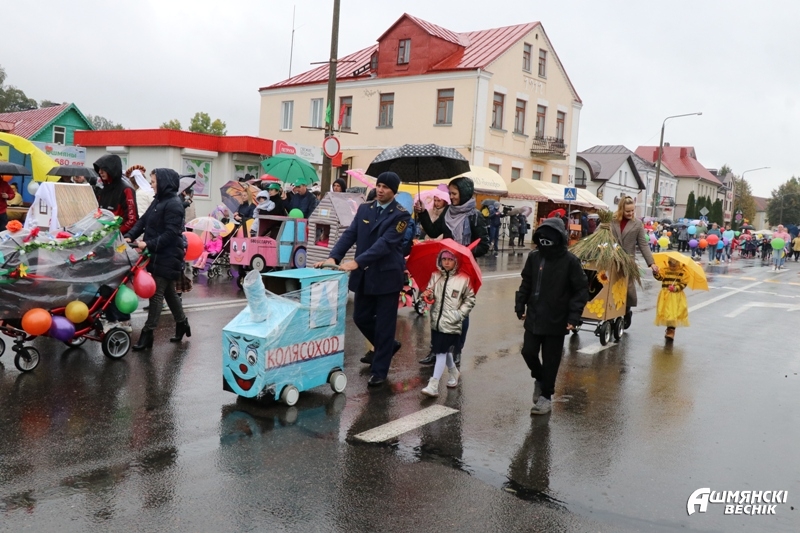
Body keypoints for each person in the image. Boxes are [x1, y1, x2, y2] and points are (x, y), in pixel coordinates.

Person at [316, 172, 410, 387]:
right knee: (360, 317)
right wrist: (334, 256)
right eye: (379, 185)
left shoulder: (401, 216)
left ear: (394, 191)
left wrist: (357, 262)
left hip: (387, 276)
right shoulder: (365, 208)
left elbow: (385, 244)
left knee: (385, 325)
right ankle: (387, 345)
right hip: (365, 276)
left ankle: (379, 371)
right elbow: (350, 234)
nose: (380, 190)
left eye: (385, 187)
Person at [515, 217, 588, 415]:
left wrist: (573, 317)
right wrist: (520, 305)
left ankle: (546, 397)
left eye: (549, 237)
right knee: (528, 352)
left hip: (557, 319)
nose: (545, 241)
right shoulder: (534, 257)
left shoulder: (570, 261)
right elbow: (526, 282)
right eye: (542, 237)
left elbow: (581, 290)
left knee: (551, 360)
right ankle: (540, 379)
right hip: (534, 316)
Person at [415, 176, 489, 366]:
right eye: (450, 193)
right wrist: (422, 213)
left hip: (464, 270)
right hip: (445, 267)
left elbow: (484, 245)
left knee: (459, 312)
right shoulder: (448, 211)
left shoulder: (475, 216)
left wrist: (464, 252)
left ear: (464, 193)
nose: (452, 197)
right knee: (437, 309)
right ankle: (436, 350)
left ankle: (456, 351)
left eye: (454, 193)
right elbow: (433, 231)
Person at [125, 168, 190, 350]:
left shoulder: (174, 205)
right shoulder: (158, 200)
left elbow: (171, 233)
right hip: (156, 254)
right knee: (169, 293)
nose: (151, 185)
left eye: (154, 181)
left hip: (169, 255)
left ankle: (148, 333)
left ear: (164, 182)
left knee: (156, 295)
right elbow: (143, 221)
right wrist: (130, 236)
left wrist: (148, 244)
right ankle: (182, 323)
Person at [420, 249, 476, 397]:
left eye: (450, 260)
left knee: (440, 352)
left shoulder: (463, 279)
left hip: (452, 322)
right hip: (436, 322)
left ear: (456, 262)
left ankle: (433, 384)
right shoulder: (435, 276)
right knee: (442, 350)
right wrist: (427, 295)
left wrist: (459, 315)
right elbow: (431, 295)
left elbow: (470, 300)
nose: (446, 262)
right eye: (444, 259)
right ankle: (453, 371)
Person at [94, 154, 138, 330]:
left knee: (117, 284)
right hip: (102, 244)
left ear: (112, 169)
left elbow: (132, 219)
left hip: (118, 245)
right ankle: (109, 317)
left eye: (104, 169)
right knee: (102, 282)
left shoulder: (126, 190)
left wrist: (114, 235)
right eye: (99, 169)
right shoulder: (103, 189)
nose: (101, 172)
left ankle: (123, 319)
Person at [611, 196, 659, 329]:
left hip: (628, 263)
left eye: (633, 210)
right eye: (628, 211)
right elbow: (598, 233)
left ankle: (627, 311)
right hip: (611, 260)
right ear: (621, 209)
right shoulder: (611, 220)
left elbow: (643, 244)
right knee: (610, 288)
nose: (631, 213)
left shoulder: (637, 224)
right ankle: (609, 313)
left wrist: (651, 263)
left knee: (627, 290)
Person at [653, 257, 690, 340]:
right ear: (668, 263)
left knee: (672, 314)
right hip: (665, 295)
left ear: (678, 264)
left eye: (675, 266)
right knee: (666, 313)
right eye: (671, 265)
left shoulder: (682, 272)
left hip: (676, 296)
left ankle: (671, 330)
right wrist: (656, 273)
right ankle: (669, 329)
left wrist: (675, 288)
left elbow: (683, 284)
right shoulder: (665, 270)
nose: (673, 267)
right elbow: (660, 277)